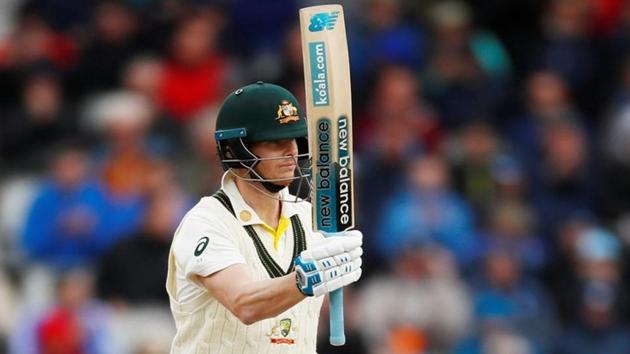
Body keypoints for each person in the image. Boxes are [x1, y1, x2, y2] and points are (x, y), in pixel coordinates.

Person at [166, 82, 363, 353]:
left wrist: (342, 265)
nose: (291, 151)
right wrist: (307, 280)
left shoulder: (311, 219)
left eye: (294, 138)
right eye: (273, 142)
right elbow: (244, 303)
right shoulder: (206, 222)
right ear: (235, 151)